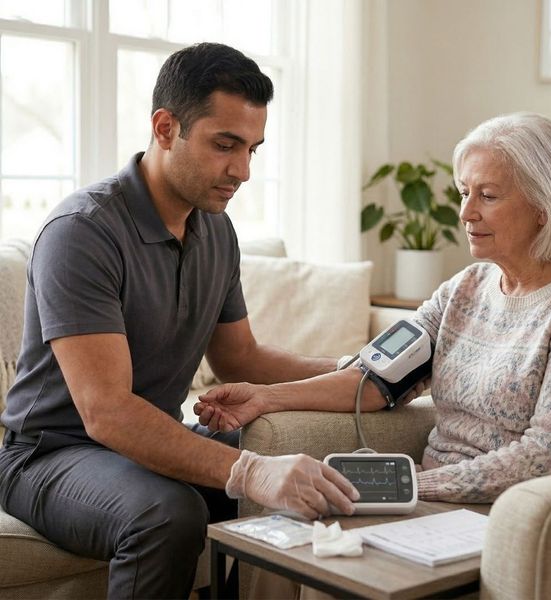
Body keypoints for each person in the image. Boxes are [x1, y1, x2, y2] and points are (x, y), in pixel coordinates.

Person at [0, 42, 361, 599]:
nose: (241, 170)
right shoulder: (82, 231)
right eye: (225, 145)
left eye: (252, 150)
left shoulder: (216, 230)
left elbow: (242, 359)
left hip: (143, 442)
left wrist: (353, 369)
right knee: (168, 513)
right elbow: (107, 413)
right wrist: (247, 472)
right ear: (166, 128)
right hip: (50, 455)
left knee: (293, 453)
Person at [196, 112, 551, 505]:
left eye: (488, 196)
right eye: (464, 193)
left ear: (545, 206)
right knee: (294, 528)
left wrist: (410, 485)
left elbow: (548, 457)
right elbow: (373, 377)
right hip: (429, 492)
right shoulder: (465, 289)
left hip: (510, 514)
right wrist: (267, 398)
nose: (466, 213)